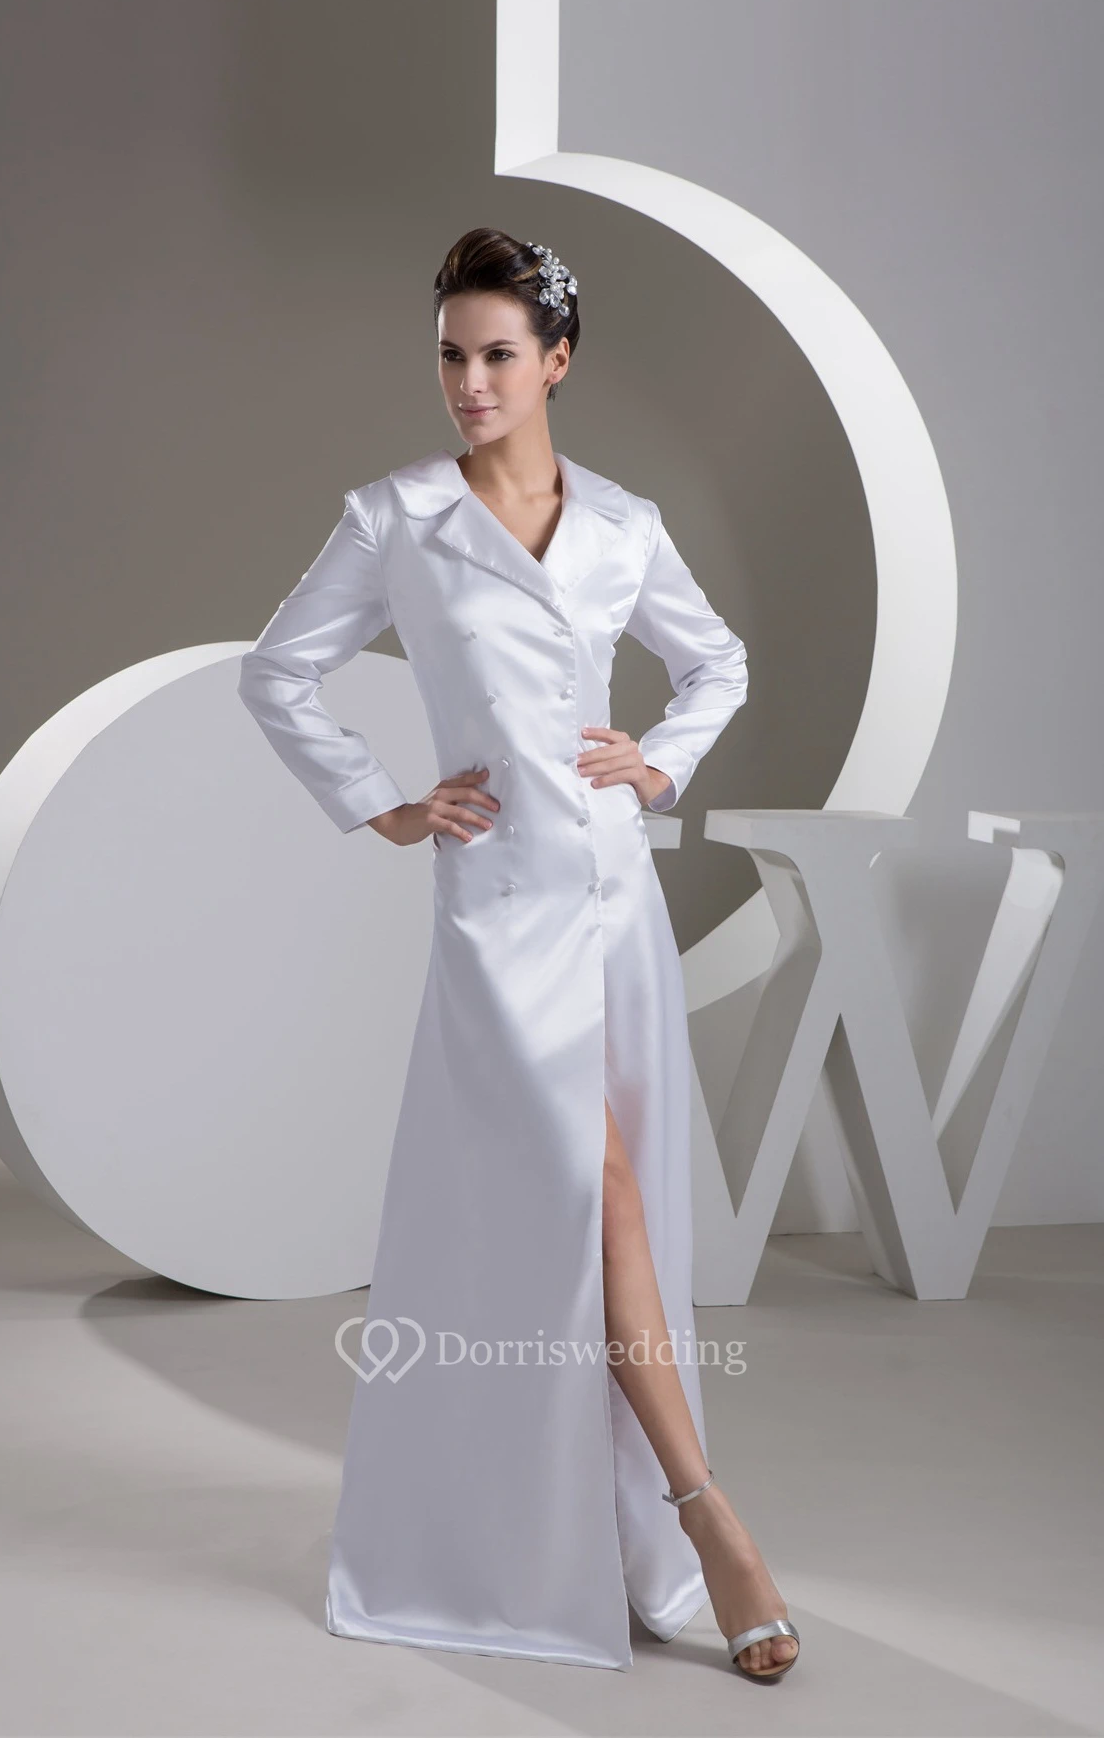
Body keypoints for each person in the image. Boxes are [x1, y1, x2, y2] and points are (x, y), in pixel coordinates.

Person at [237, 227, 800, 1683]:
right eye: (450, 355)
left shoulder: (620, 523)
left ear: (557, 362)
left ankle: (615, 1531)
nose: (469, 382)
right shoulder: (395, 519)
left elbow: (716, 661)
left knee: (612, 1204)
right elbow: (277, 670)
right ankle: (707, 1519)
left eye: (497, 355)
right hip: (496, 919)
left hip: (612, 905)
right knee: (587, 1194)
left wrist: (658, 764)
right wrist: (385, 803)